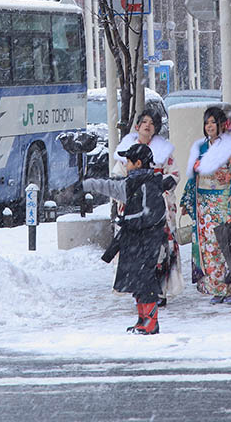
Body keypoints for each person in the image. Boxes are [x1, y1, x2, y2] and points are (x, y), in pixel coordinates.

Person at [83, 143, 169, 335]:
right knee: (136, 279)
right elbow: (110, 186)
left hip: (147, 241)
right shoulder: (132, 183)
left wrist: (128, 220)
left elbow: (152, 214)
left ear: (138, 163)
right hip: (133, 240)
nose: (126, 165)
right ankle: (142, 318)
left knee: (146, 279)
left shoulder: (149, 184)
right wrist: (88, 184)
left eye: (128, 161)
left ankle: (151, 321)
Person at [180, 105, 231, 304]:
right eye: (207, 122)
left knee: (226, 244)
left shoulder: (230, 148)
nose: (209, 126)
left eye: (213, 122)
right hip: (203, 204)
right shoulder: (200, 148)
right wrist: (187, 200)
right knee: (208, 247)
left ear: (221, 125)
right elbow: (194, 177)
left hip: (224, 202)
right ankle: (218, 289)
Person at [113, 107, 182, 307]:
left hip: (157, 205)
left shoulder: (164, 152)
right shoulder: (126, 151)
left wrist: (160, 183)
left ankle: (159, 289)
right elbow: (117, 176)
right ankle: (139, 287)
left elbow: (174, 174)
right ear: (137, 126)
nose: (148, 126)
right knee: (135, 249)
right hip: (134, 206)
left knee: (159, 249)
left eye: (152, 123)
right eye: (145, 123)